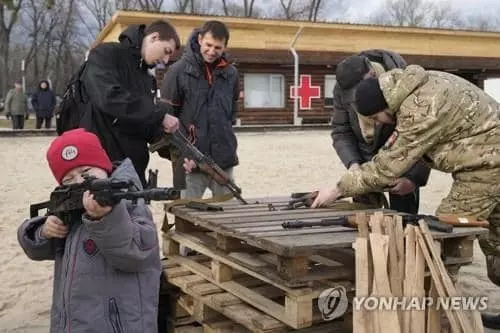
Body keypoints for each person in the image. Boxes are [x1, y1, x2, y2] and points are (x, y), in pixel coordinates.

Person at [312, 64, 500, 291]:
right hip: (487, 160)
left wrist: (337, 189)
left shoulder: (419, 108)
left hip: (487, 167)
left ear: (384, 105)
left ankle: (437, 308)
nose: (379, 122)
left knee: (446, 229)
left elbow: (386, 166)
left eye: (375, 117)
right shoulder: (413, 86)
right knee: (495, 238)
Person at [17, 128, 161, 333]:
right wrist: (43, 231)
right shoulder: (69, 209)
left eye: (86, 172)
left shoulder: (129, 202)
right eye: (68, 179)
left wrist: (106, 218)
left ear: (103, 167)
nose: (79, 182)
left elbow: (137, 254)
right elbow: (36, 249)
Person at [79, 20, 182, 186]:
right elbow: (109, 97)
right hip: (100, 165)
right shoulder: (105, 54)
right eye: (166, 51)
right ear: (154, 37)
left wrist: (176, 152)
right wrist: (159, 115)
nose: (165, 59)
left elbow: (144, 124)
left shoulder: (147, 79)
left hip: (133, 171)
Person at [331, 50, 430, 213]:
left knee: (404, 221)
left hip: (402, 161)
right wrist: (353, 164)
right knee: (361, 217)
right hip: (364, 160)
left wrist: (412, 179)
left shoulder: (405, 83)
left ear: (372, 74)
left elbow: (422, 137)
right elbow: (341, 131)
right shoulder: (344, 85)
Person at [160, 20, 240, 199]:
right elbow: (166, 118)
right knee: (187, 218)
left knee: (229, 217)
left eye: (218, 47)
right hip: (189, 162)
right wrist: (183, 154)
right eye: (209, 45)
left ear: (225, 47)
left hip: (223, 161)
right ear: (200, 39)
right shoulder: (177, 71)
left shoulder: (231, 74)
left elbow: (232, 111)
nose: (212, 51)